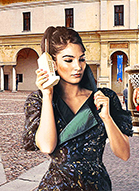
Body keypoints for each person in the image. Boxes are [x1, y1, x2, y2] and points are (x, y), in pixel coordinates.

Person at [23, 26, 132, 190]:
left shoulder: (105, 97)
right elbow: (47, 146)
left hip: (96, 185)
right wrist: (47, 94)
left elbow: (124, 154)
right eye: (68, 60)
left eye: (81, 59)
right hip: (57, 186)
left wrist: (107, 118)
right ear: (51, 64)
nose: (78, 66)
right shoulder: (38, 100)